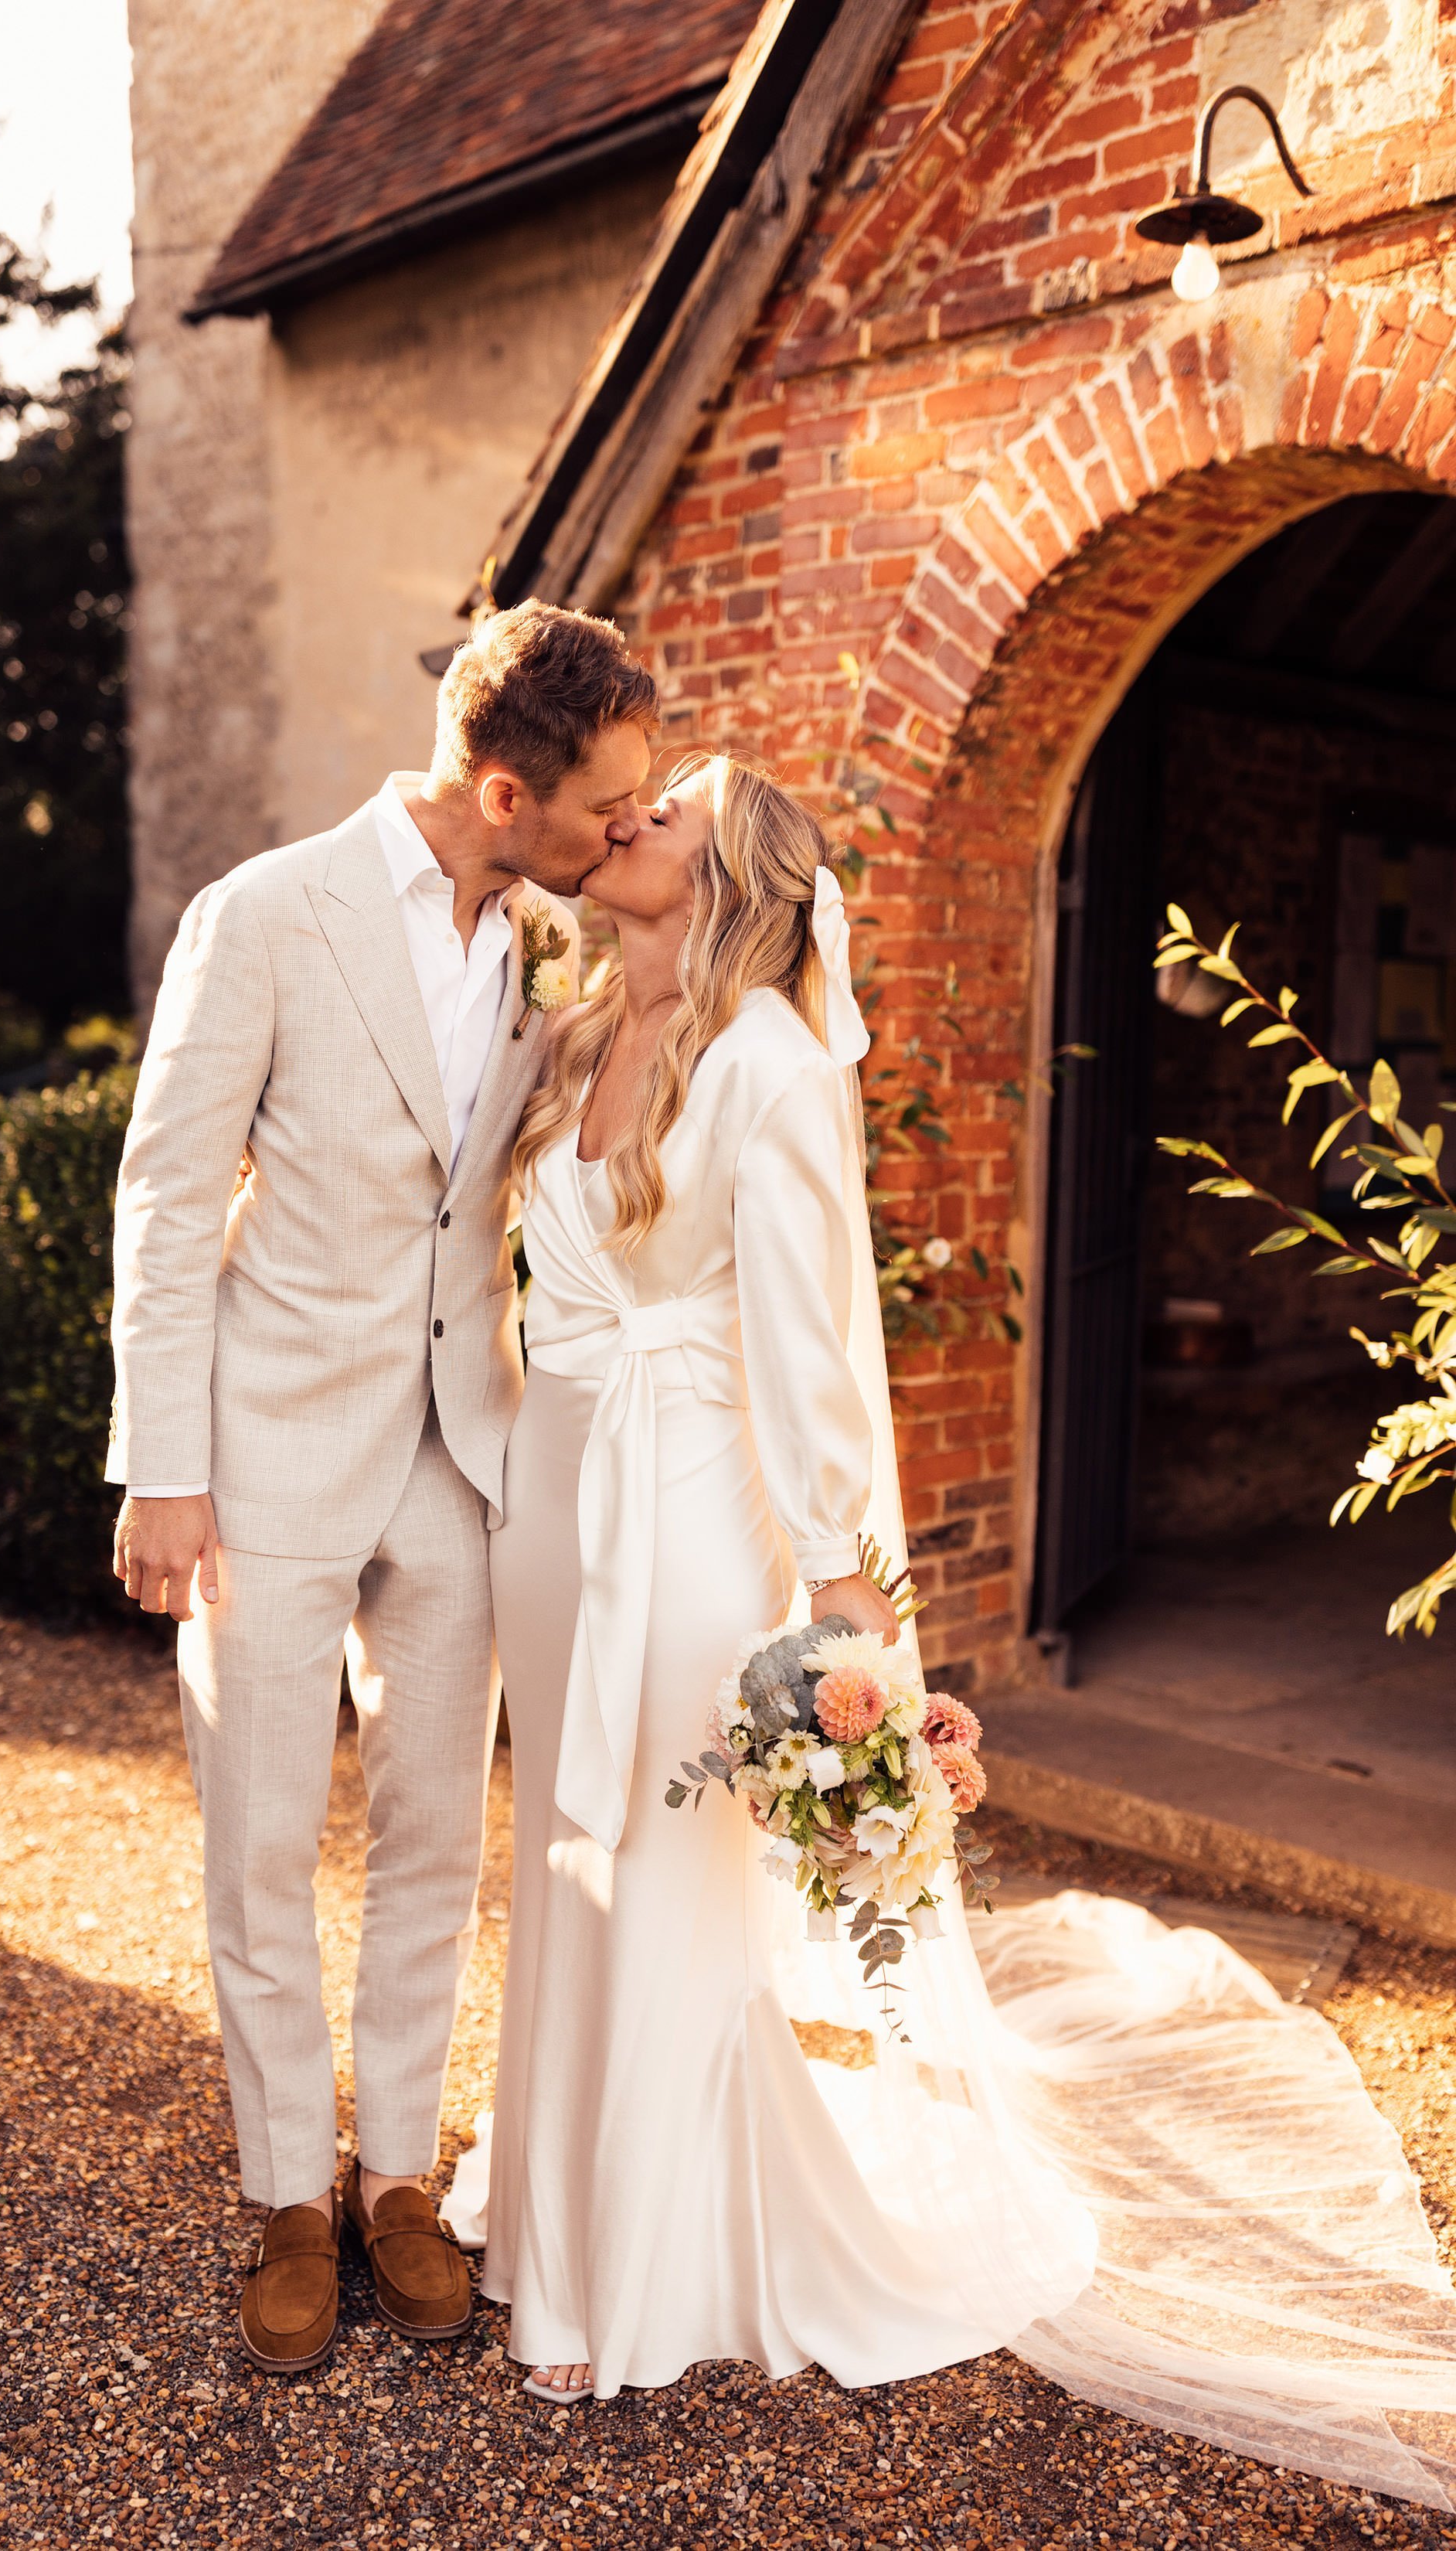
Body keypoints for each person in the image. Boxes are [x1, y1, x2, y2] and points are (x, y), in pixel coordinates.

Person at [450, 753, 1456, 2508]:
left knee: (677, 1863)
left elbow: (813, 1349)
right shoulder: (560, 1036)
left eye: (663, 814)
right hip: (553, 1497)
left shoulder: (763, 1066)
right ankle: (546, 2198)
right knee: (560, 1848)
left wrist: (846, 1602)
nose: (626, 825)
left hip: (691, 1512)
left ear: (735, 877)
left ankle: (617, 2273)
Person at [105, 601, 657, 2374]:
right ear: (505, 790)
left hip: (459, 1446)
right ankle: (283, 2192)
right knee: (260, 1843)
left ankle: (395, 2179)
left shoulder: (546, 949)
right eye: (603, 807)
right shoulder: (262, 915)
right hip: (263, 1447)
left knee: (438, 1833)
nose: (623, 832)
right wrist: (163, 1472)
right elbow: (169, 1200)